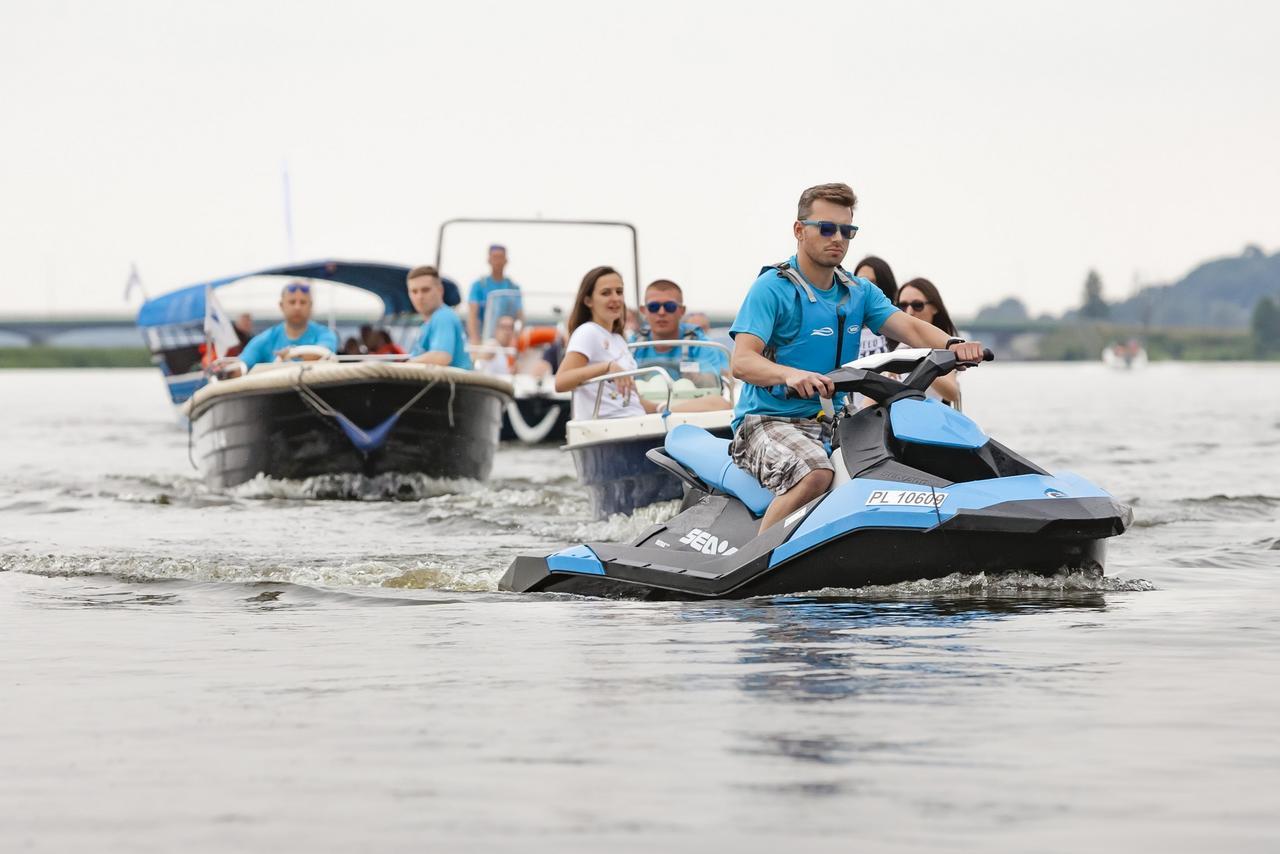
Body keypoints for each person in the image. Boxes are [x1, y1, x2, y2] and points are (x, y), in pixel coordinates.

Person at [729, 182, 986, 532]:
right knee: (817, 474)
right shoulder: (773, 288)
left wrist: (954, 344)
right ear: (799, 230)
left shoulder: (858, 292)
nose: (838, 238)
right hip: (767, 421)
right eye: (827, 228)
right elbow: (741, 361)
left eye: (847, 230)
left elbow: (910, 328)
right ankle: (755, 565)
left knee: (903, 464)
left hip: (833, 421)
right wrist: (790, 375)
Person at [556, 267, 730, 420]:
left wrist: (660, 409)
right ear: (588, 301)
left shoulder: (618, 340)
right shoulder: (588, 332)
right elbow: (561, 382)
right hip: (614, 424)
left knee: (720, 404)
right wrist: (607, 367)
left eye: (619, 292)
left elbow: (630, 397)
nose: (615, 298)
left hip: (636, 417)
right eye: (606, 293)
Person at [630, 279, 730, 382]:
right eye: (653, 307)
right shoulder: (633, 346)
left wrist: (699, 379)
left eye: (670, 307)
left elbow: (713, 384)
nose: (661, 312)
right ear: (643, 311)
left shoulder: (700, 344)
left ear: (682, 311)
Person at [237, 282, 339, 370]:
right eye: (292, 302)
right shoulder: (266, 339)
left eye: (303, 302)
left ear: (311, 306)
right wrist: (233, 369)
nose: (297, 307)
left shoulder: (325, 334)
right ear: (281, 305)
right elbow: (243, 363)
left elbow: (324, 352)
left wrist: (294, 353)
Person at [895, 277, 961, 406]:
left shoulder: (942, 348)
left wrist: (920, 363)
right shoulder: (897, 347)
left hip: (930, 421)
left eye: (917, 305)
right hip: (897, 422)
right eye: (902, 306)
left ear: (935, 308)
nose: (909, 312)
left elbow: (953, 393)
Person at [407, 265, 472, 368]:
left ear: (440, 290)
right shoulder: (431, 322)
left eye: (425, 290)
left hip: (452, 383)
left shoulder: (443, 317)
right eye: (414, 291)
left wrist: (406, 365)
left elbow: (441, 357)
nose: (419, 297)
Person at [466, 244, 523, 344]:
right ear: (489, 260)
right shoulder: (479, 286)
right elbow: (472, 316)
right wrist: (475, 341)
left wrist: (516, 339)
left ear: (506, 261)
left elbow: (520, 316)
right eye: (495, 257)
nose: (498, 262)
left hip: (507, 341)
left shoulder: (513, 287)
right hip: (484, 338)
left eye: (500, 257)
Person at [852, 256, 900, 356]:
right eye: (860, 282)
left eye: (873, 283)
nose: (866, 288)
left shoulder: (899, 328)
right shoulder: (845, 326)